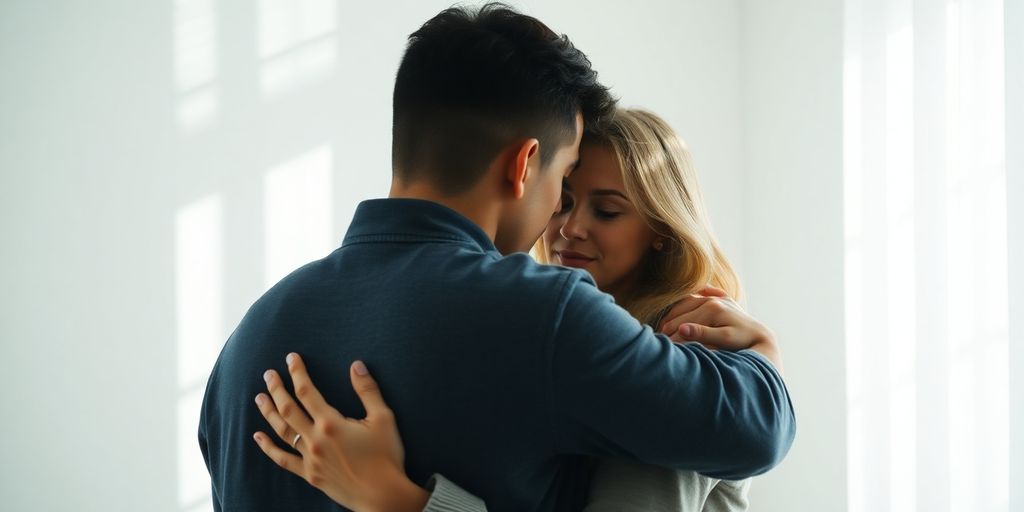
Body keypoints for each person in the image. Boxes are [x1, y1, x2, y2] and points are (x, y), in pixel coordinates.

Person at [199, 3, 795, 511]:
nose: (563, 220)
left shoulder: (247, 341)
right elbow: (756, 429)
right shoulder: (545, 317)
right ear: (523, 164)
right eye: (563, 185)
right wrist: (762, 356)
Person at [251, 109, 776, 512]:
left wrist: (400, 501)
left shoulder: (678, 356)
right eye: (563, 200)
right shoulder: (543, 337)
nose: (571, 227)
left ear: (662, 231)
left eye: (608, 210)